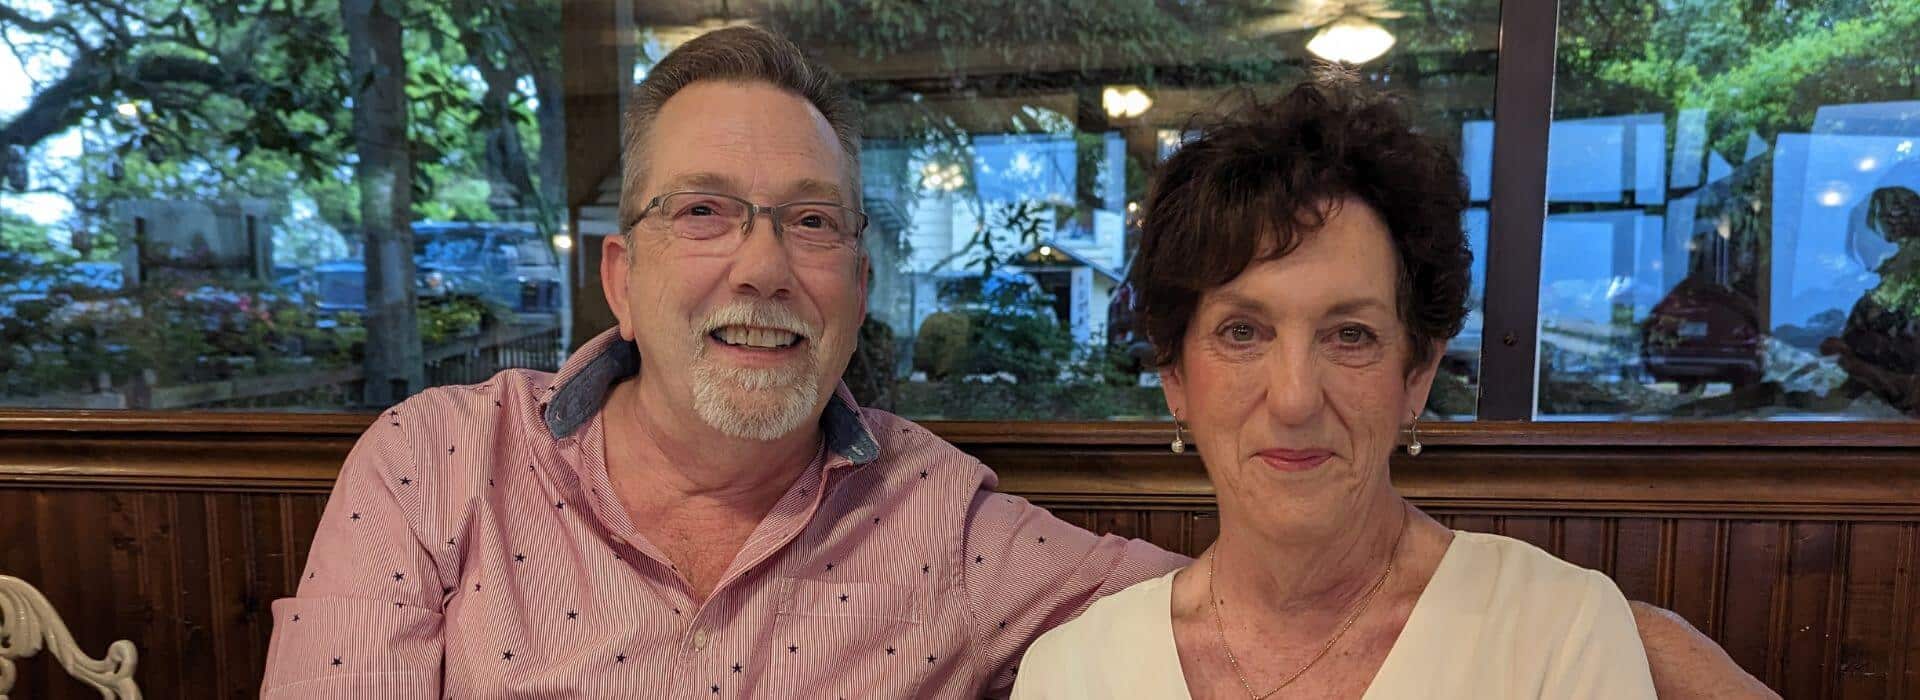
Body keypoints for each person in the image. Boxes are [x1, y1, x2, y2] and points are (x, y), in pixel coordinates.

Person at [262, 25, 1770, 699]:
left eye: (811, 222)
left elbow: (1265, 572)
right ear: (622, 266)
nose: (762, 266)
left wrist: (1621, 633)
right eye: (704, 213)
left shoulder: (951, 531)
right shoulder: (437, 464)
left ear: (860, 278)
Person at [1012, 76, 1758, 699]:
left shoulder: (1556, 635)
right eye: (1243, 332)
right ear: (1176, 376)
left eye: (1351, 336)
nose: (1296, 398)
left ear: (1417, 374)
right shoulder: (1073, 671)